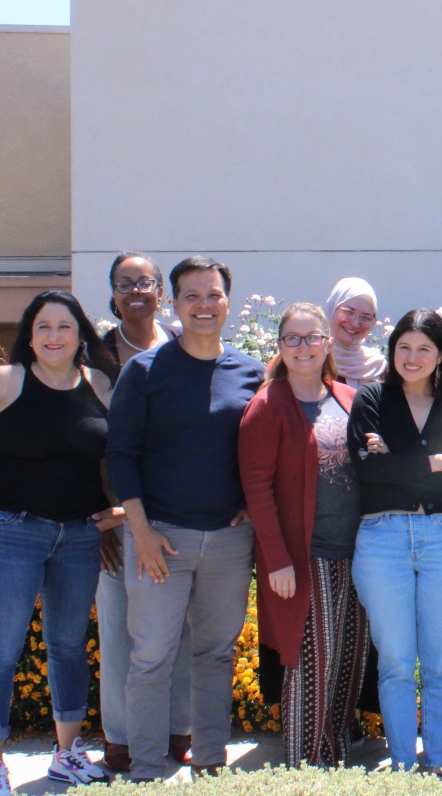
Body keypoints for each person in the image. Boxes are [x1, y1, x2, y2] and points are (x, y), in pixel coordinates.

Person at [106, 256, 264, 781]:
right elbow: (121, 455)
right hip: (160, 539)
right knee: (150, 656)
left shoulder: (249, 370)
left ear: (227, 302)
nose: (203, 304)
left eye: (213, 294)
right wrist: (142, 533)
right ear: (174, 303)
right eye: (191, 295)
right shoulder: (145, 370)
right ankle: (148, 770)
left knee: (215, 654)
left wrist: (248, 499)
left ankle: (212, 763)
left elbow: (260, 447)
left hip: (228, 539)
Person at [239, 303, 369, 768]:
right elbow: (256, 489)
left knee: (348, 660)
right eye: (292, 339)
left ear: (327, 342)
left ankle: (334, 755)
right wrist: (277, 560)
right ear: (279, 347)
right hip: (302, 556)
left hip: (354, 554)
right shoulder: (267, 405)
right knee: (311, 662)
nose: (303, 347)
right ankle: (303, 763)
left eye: (311, 337)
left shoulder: (347, 397)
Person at [347, 309, 442, 773]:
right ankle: (403, 764)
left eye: (424, 348)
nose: (412, 356)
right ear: (392, 350)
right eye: (404, 346)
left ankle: (437, 761)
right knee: (397, 661)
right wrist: (430, 465)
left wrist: (397, 463)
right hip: (382, 538)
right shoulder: (372, 399)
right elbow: (367, 468)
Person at [0, 291, 117, 790]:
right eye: (43, 326)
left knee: (68, 646)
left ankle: (67, 753)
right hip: (14, 532)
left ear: (80, 334)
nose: (54, 336)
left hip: (79, 538)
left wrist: (117, 513)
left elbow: (119, 457)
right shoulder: (9, 381)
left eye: (64, 327)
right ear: (29, 334)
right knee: (3, 649)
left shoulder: (101, 384)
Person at [96, 252, 190, 772]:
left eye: (145, 282)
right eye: (124, 283)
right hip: (115, 520)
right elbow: (88, 441)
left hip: (178, 515)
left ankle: (179, 729)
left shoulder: (184, 350)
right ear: (112, 293)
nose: (136, 291)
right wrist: (104, 515)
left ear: (161, 293)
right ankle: (121, 737)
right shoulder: (97, 358)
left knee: (180, 631)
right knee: (120, 630)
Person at [324, 278, 387, 388]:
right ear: (332, 309)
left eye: (365, 317)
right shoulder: (313, 361)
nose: (355, 323)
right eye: (348, 312)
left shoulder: (378, 368)